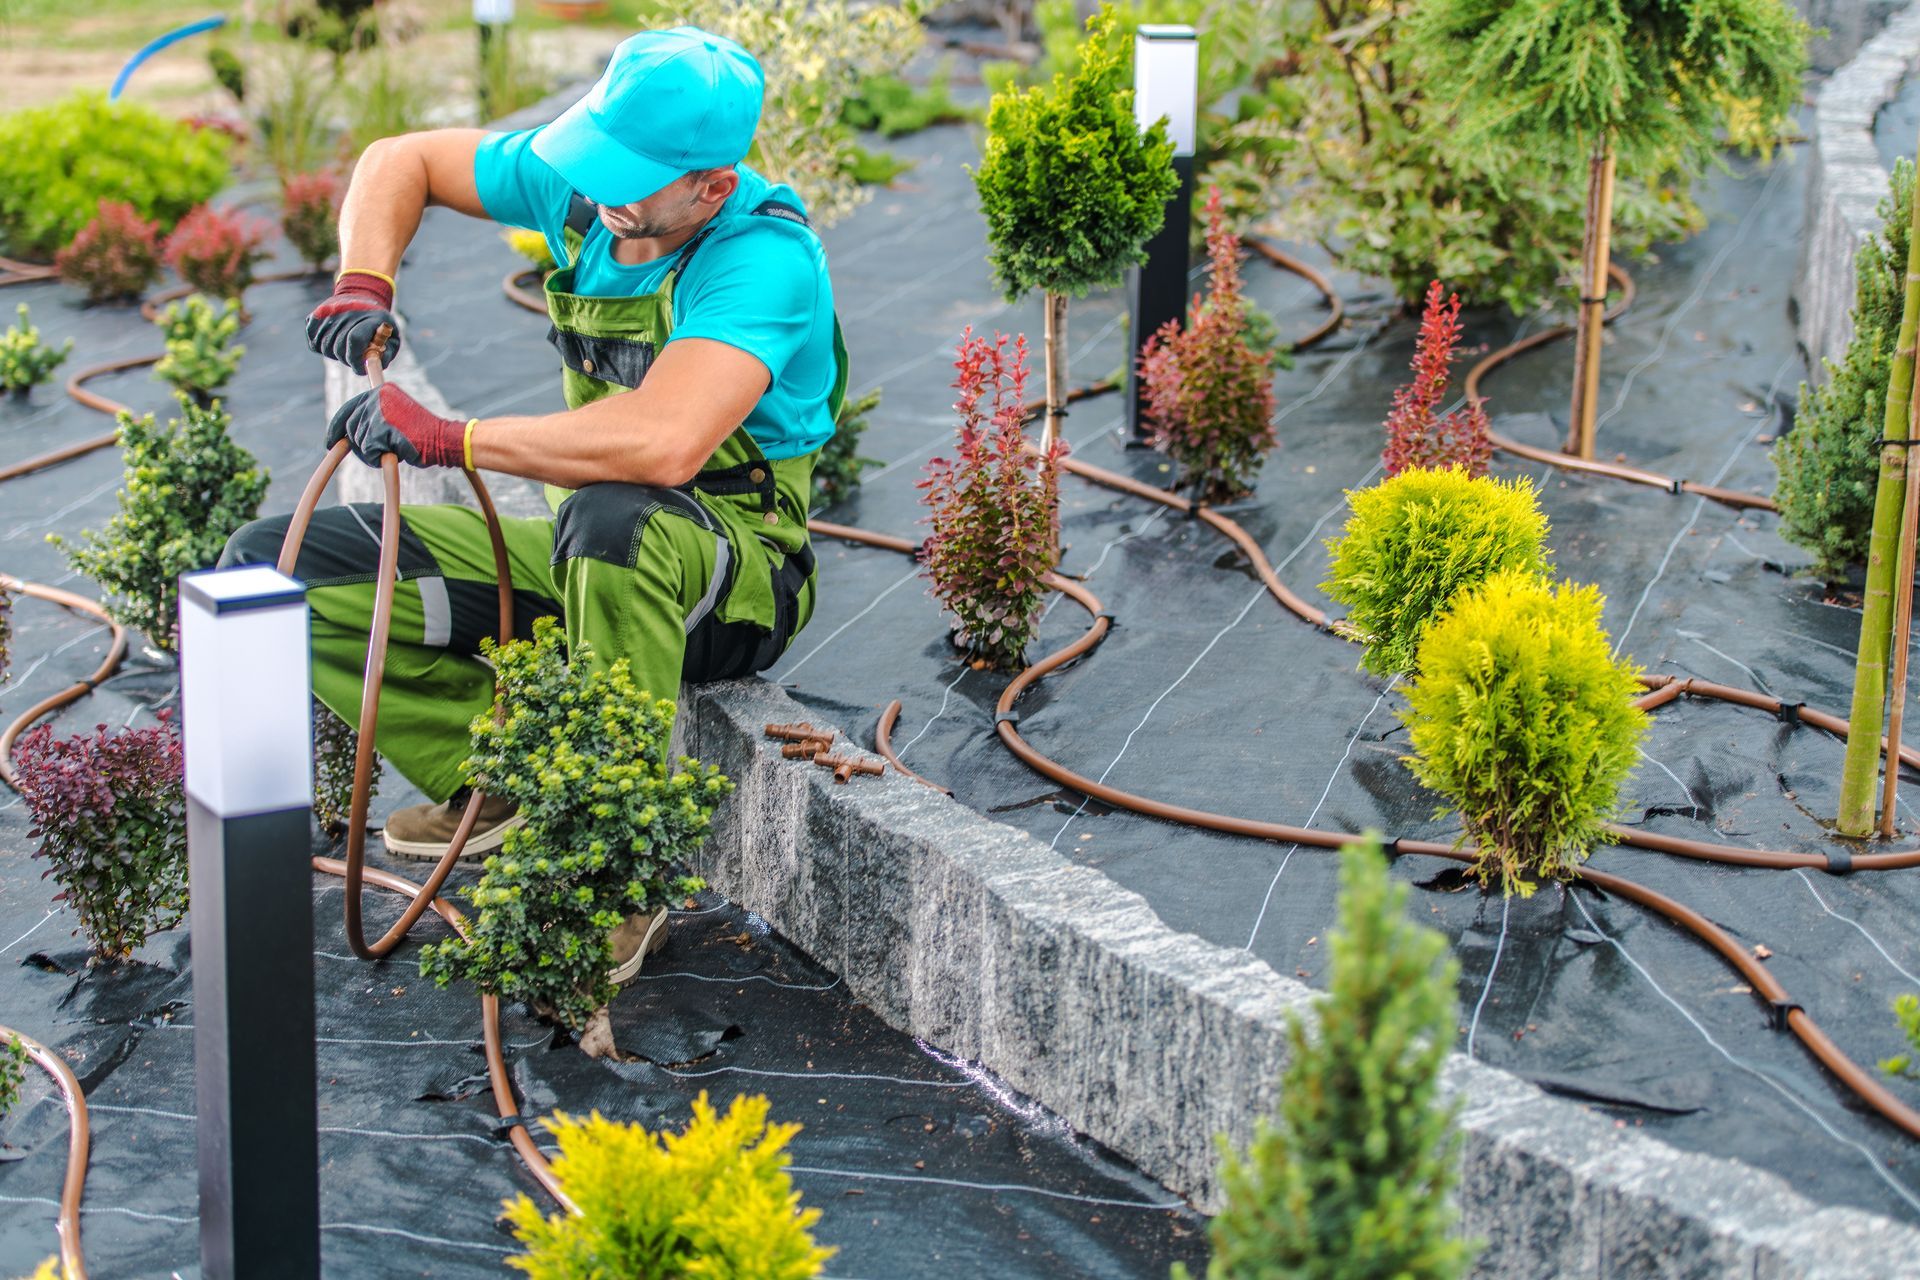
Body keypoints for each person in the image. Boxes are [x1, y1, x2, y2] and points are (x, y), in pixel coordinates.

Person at [221, 26, 845, 979]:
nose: (597, 193)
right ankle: (506, 783)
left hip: (735, 571)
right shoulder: (591, 193)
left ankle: (618, 878)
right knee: (279, 567)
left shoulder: (761, 263)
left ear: (711, 187)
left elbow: (661, 444)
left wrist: (452, 437)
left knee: (615, 521)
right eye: (595, 161)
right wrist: (362, 279)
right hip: (586, 537)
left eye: (628, 178)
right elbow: (403, 159)